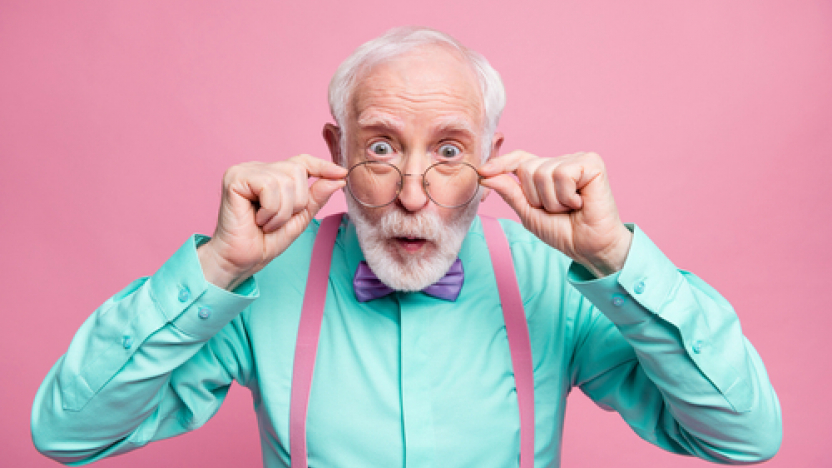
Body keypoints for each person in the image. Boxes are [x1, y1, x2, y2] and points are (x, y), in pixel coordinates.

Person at [32, 26, 781, 467]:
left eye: (450, 152)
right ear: (337, 150)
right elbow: (67, 432)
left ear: (493, 160)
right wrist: (218, 266)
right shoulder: (264, 282)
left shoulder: (556, 282)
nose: (414, 194)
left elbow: (743, 435)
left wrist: (616, 258)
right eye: (383, 147)